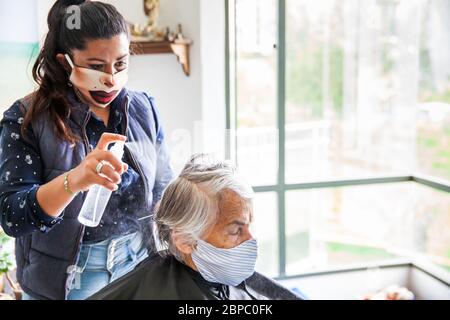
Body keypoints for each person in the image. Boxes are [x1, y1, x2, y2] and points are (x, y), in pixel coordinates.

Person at [0, 0, 173, 300]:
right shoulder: (26, 119)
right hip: (68, 281)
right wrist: (75, 180)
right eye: (96, 67)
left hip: (139, 265)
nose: (110, 78)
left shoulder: (145, 108)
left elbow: (162, 191)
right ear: (64, 61)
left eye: (120, 64)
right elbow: (13, 216)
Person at [89, 155, 302, 300]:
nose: (251, 240)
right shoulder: (154, 287)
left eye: (249, 226)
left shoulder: (230, 277)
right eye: (236, 230)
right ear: (185, 240)